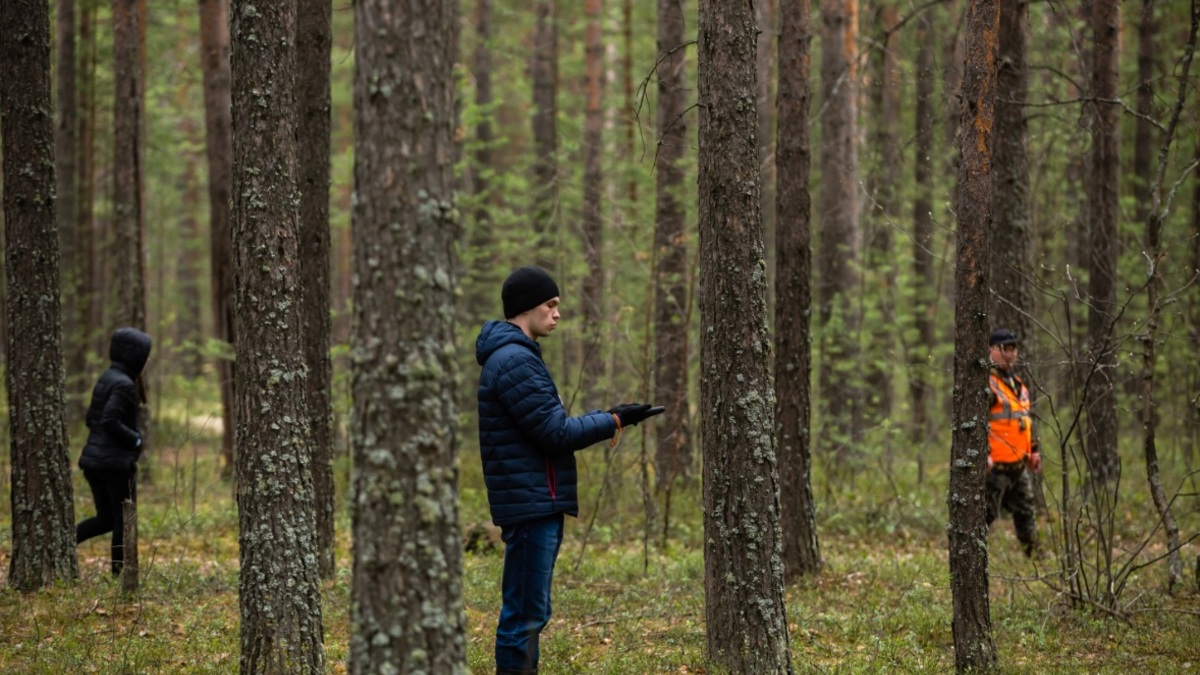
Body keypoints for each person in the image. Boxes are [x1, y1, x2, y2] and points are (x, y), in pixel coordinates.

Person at [476, 266, 662, 674]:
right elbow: (555, 433)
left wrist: (613, 418)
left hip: (535, 500)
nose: (557, 313)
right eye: (551, 305)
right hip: (531, 505)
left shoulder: (517, 357)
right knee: (523, 618)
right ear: (528, 308)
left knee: (530, 613)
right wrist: (614, 419)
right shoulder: (513, 362)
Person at [76, 327, 152, 576]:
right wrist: (136, 441)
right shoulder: (124, 384)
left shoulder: (107, 378)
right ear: (135, 356)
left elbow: (91, 419)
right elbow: (109, 420)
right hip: (114, 466)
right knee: (122, 520)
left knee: (106, 519)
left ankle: (60, 545)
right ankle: (121, 577)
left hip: (93, 462)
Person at [985, 328, 1040, 557]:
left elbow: (1025, 420)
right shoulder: (987, 384)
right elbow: (976, 424)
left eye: (1012, 348)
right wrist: (983, 454)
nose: (1009, 353)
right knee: (984, 516)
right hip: (995, 466)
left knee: (1026, 512)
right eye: (1003, 349)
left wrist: (1034, 450)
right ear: (991, 351)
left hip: (1019, 463)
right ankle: (969, 559)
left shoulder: (1019, 385)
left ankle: (1033, 555)